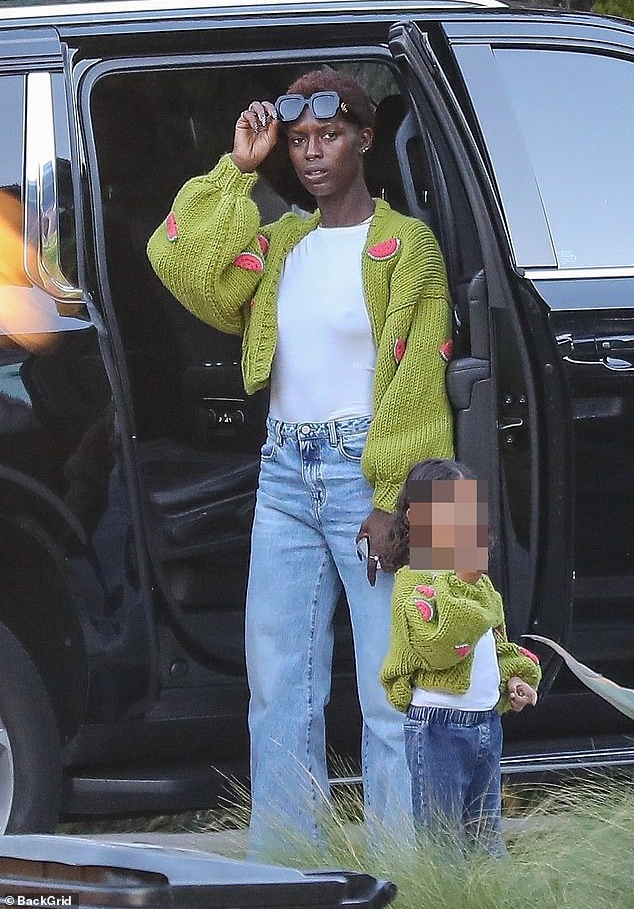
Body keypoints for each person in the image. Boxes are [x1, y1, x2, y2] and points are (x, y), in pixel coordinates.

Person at [147, 67, 454, 857]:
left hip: (368, 474)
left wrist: (396, 499)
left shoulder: (406, 247)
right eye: (301, 141)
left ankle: (405, 871)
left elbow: (420, 381)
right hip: (283, 474)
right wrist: (237, 171)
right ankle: (286, 866)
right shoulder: (283, 242)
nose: (313, 154)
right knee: (279, 690)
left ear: (364, 138)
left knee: (395, 689)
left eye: (330, 136)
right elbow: (179, 262)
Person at [380, 458, 541, 856]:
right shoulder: (415, 580)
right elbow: (439, 647)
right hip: (438, 728)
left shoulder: (479, 584)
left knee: (485, 837)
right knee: (443, 845)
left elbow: (493, 645)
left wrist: (515, 679)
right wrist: (464, 583)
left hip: (486, 723)